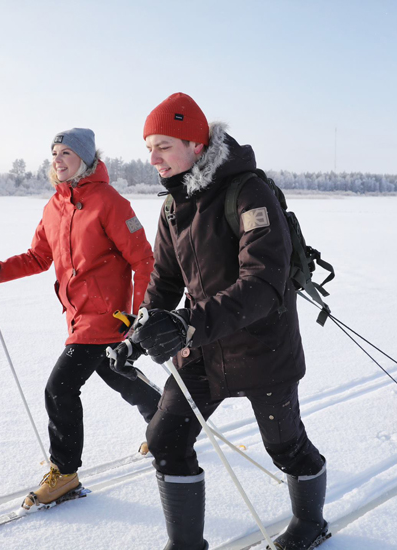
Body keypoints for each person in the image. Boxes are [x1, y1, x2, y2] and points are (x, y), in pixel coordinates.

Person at [110, 93, 329, 550]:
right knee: (166, 438)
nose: (153, 158)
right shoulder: (172, 207)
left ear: (195, 143)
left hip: (262, 347)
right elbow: (164, 284)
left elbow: (263, 284)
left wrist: (187, 325)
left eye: (164, 145)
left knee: (285, 449)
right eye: (149, 147)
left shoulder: (248, 192)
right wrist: (136, 336)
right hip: (204, 350)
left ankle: (309, 523)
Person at [0, 128, 160, 510]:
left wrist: (139, 314)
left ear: (85, 159)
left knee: (59, 388)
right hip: (77, 316)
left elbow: (144, 259)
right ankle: (167, 422)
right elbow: (39, 257)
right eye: (54, 153)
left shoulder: (109, 202)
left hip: (108, 315)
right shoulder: (54, 207)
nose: (57, 159)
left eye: (66, 152)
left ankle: (65, 473)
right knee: (115, 373)